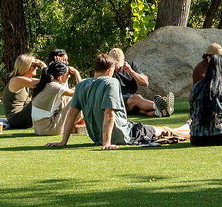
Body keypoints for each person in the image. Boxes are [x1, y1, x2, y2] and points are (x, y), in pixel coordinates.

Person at [48, 53, 190, 149]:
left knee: (158, 129)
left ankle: (187, 126)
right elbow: (109, 113)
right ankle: (191, 130)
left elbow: (72, 114)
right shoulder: (111, 82)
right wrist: (107, 143)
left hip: (97, 137)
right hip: (124, 134)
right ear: (110, 71)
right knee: (165, 131)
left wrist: (63, 142)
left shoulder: (81, 85)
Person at [108, 47, 174, 117]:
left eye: (119, 66)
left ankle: (161, 111)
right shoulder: (106, 69)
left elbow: (145, 83)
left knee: (143, 110)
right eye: (115, 65)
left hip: (132, 100)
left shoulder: (131, 65)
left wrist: (131, 72)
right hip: (118, 100)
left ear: (124, 59)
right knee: (136, 98)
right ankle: (161, 105)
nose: (117, 68)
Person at [30, 59, 82, 137]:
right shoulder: (56, 87)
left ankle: (74, 123)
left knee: (66, 98)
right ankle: (75, 124)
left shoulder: (46, 83)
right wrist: (76, 73)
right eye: (67, 74)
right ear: (60, 77)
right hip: (49, 128)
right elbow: (81, 92)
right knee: (78, 97)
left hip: (39, 128)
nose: (69, 76)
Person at [1, 53, 47, 130]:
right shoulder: (17, 80)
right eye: (34, 65)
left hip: (20, 117)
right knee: (42, 96)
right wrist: (43, 65)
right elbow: (46, 82)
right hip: (16, 120)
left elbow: (49, 82)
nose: (37, 68)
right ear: (26, 67)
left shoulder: (26, 81)